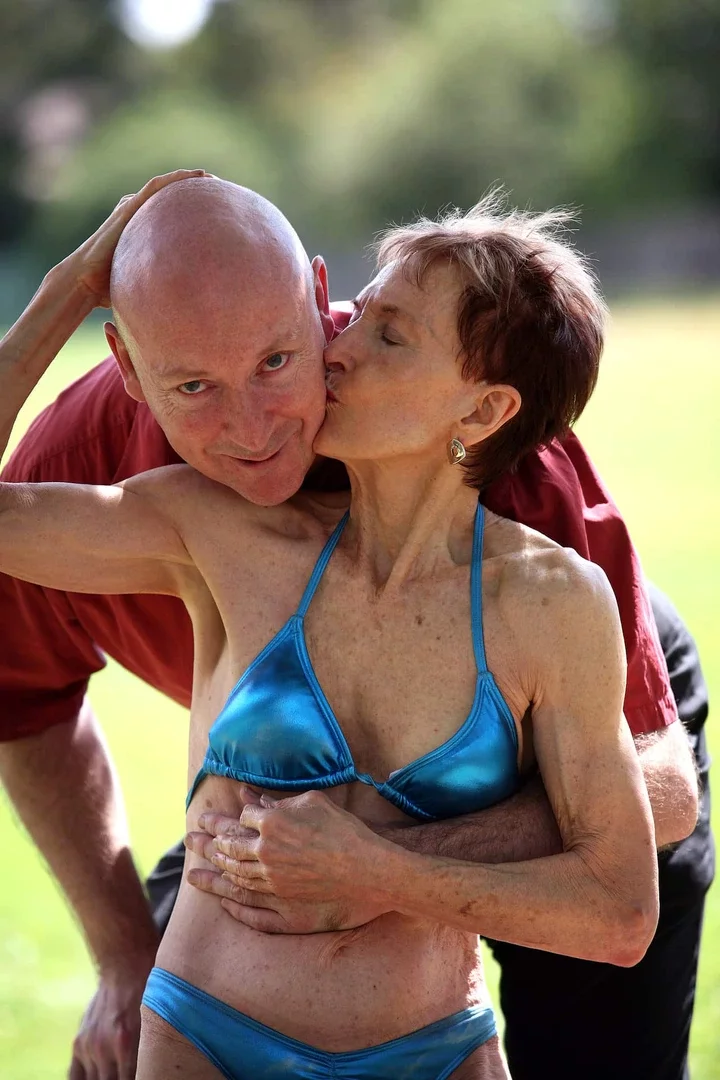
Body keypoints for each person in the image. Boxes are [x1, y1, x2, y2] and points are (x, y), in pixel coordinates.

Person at [0, 176, 702, 1079]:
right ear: (133, 371)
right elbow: (21, 697)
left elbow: (646, 826)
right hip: (246, 920)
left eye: (279, 361)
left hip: (585, 746)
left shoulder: (530, 520)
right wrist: (70, 283)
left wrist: (372, 867)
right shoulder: (156, 499)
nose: (252, 423)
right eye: (193, 386)